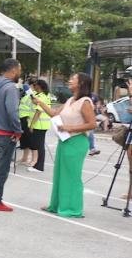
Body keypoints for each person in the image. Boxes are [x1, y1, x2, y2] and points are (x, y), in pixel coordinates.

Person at [34, 73, 96, 218]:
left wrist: (70, 128)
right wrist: (40, 103)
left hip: (77, 141)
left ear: (81, 83)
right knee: (60, 174)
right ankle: (57, 205)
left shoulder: (85, 102)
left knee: (72, 175)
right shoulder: (70, 100)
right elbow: (54, 113)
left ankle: (73, 208)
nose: (69, 80)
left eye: (73, 79)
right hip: (64, 141)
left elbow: (92, 124)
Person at [0, 59, 23, 212]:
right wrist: (18, 129)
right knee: (1, 168)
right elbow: (13, 111)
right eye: (19, 69)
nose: (20, 72)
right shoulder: (11, 88)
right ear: (13, 70)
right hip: (5, 133)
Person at [26, 79, 52, 173]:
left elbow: (38, 112)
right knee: (37, 144)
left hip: (40, 125)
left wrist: (32, 125)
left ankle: (39, 167)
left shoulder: (43, 96)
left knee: (39, 146)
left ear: (40, 86)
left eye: (35, 85)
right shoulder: (41, 95)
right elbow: (33, 100)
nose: (34, 86)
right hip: (39, 125)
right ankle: (37, 164)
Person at [17, 78, 36, 164]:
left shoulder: (32, 94)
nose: (26, 85)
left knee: (29, 139)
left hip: (27, 118)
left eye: (28, 84)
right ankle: (24, 158)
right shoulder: (26, 94)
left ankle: (32, 159)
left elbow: (33, 107)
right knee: (24, 139)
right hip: (21, 117)